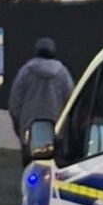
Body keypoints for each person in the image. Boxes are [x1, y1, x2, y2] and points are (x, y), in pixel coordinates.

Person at [8, 37, 75, 166]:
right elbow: (70, 101)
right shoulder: (63, 73)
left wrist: (20, 129)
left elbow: (15, 104)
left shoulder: (25, 72)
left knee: (30, 171)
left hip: (30, 133)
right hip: (57, 133)